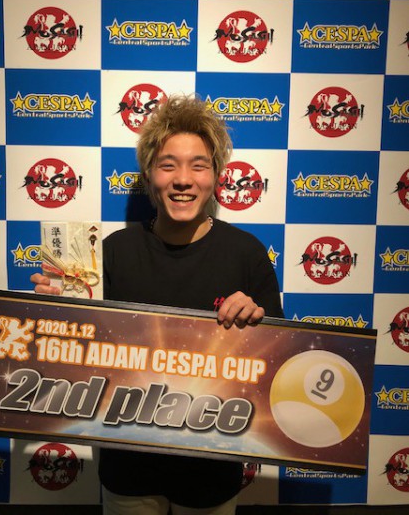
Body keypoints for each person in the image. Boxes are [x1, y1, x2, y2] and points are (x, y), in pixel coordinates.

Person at [31, 94, 283, 515]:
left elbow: (279, 366)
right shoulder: (112, 252)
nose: (183, 179)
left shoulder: (247, 254)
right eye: (168, 165)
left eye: (198, 165)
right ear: (149, 176)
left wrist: (259, 325)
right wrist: (55, 317)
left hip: (212, 471)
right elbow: (74, 360)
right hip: (127, 469)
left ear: (216, 176)